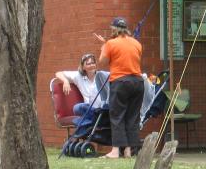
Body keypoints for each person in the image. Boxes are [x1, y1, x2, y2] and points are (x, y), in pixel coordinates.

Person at [97, 17, 144, 158]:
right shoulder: (137, 43)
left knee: (117, 115)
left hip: (120, 81)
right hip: (138, 82)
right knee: (132, 116)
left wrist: (103, 48)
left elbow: (103, 62)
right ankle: (129, 150)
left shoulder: (110, 44)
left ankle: (116, 150)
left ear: (114, 29)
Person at [55, 53, 109, 117]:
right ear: (83, 67)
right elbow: (58, 73)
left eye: (93, 63)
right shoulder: (78, 76)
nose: (91, 65)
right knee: (77, 108)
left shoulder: (101, 75)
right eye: (88, 64)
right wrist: (65, 81)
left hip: (103, 109)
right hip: (89, 110)